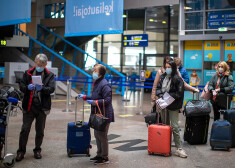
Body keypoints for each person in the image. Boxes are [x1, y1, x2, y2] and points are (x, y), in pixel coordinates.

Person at [16, 54, 55, 161]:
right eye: (38, 63)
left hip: (42, 108)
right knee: (25, 129)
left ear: (46, 64)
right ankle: (21, 151)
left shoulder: (49, 75)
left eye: (42, 64)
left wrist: (42, 88)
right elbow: (22, 87)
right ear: (35, 62)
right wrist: (28, 88)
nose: (40, 65)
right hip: (29, 106)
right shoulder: (27, 73)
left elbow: (51, 89)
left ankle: (37, 150)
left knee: (40, 131)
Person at [78, 64, 114, 165]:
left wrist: (94, 102)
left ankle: (104, 157)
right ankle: (99, 154)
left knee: (102, 136)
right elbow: (95, 96)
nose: (93, 72)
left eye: (95, 70)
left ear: (100, 74)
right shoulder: (97, 83)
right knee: (97, 135)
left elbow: (108, 100)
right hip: (97, 113)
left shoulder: (105, 84)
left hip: (104, 114)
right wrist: (85, 97)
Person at [156, 60, 187, 158]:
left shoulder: (178, 79)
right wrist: (161, 95)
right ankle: (165, 146)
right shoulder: (162, 77)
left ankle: (179, 148)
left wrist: (168, 96)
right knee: (165, 127)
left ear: (173, 68)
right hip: (163, 105)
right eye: (166, 67)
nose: (167, 69)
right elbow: (158, 88)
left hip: (173, 106)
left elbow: (179, 93)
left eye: (169, 67)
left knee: (174, 127)